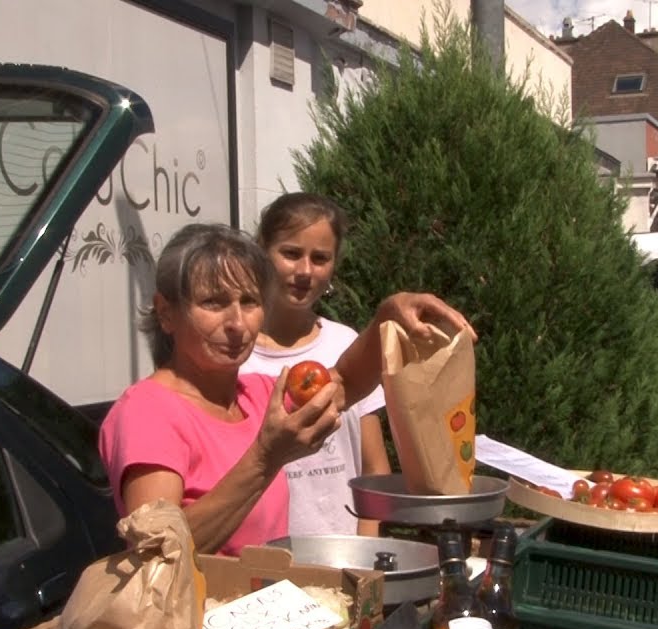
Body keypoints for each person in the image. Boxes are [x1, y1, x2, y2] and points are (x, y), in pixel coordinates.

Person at [98, 224, 473, 556]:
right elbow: (157, 552)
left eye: (249, 302)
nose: (236, 323)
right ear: (165, 312)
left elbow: (343, 382)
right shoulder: (148, 411)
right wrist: (265, 458)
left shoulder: (259, 395)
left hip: (264, 617)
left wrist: (386, 317)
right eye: (213, 302)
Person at [239, 193, 390, 537]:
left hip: (344, 560)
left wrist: (363, 550)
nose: (305, 271)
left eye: (320, 258)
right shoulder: (235, 355)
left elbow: (375, 467)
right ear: (262, 250)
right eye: (291, 253)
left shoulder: (345, 344)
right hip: (262, 563)